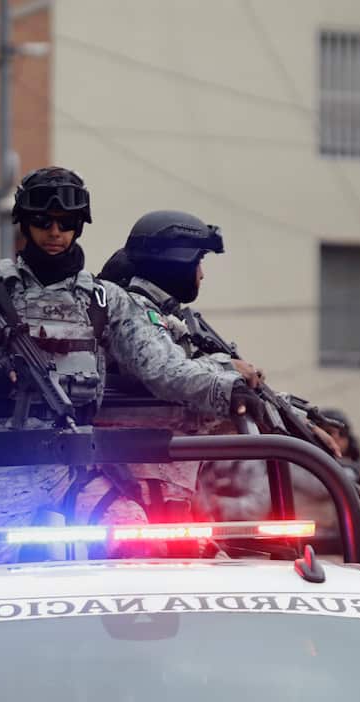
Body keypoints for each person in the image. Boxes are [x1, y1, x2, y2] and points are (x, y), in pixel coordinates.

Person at [0, 166, 267, 563]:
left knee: (133, 540)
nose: (55, 232)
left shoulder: (104, 299)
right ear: (25, 223)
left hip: (78, 458)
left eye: (66, 222)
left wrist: (228, 391)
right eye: (43, 221)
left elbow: (162, 367)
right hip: (3, 460)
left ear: (79, 225)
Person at [94, 210, 265, 524]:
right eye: (198, 262)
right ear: (176, 264)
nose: (202, 275)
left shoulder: (164, 317)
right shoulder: (134, 311)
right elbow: (165, 372)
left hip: (159, 486)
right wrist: (228, 378)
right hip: (128, 486)